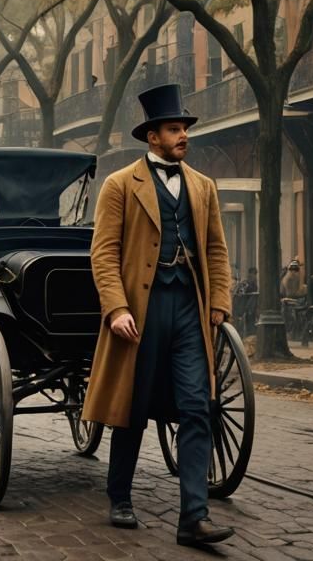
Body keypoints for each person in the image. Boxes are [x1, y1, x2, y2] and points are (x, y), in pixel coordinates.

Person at [83, 84, 235, 547]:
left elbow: (215, 248)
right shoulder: (119, 185)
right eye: (174, 129)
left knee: (197, 407)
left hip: (189, 307)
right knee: (133, 404)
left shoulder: (203, 186)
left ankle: (194, 517)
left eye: (185, 128)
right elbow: (103, 253)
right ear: (153, 136)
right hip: (140, 311)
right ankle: (120, 496)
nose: (183, 135)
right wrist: (116, 308)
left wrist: (219, 302)